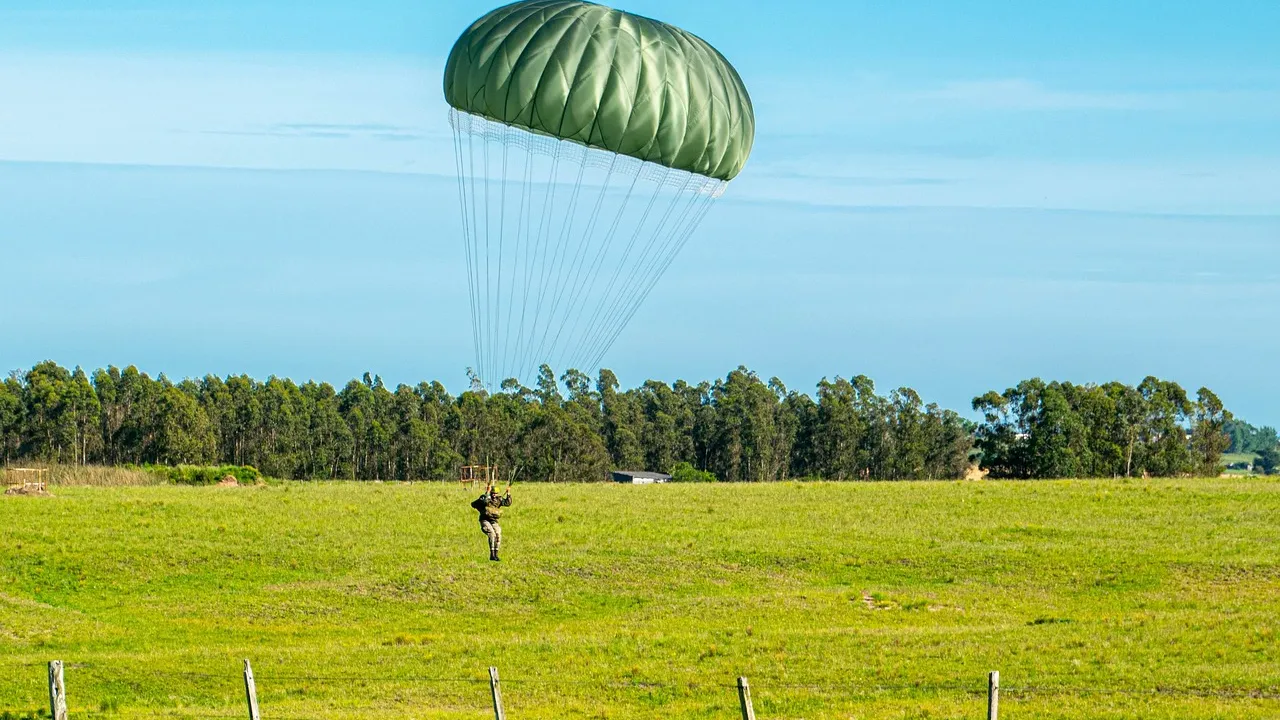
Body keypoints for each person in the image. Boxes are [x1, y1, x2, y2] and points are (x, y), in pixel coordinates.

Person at [470, 483, 511, 561]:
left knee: (498, 534)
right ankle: (492, 555)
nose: (494, 495)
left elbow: (507, 503)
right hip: (484, 520)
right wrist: (487, 493)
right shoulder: (485, 498)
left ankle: (496, 554)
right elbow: (479, 502)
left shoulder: (498, 499)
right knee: (492, 534)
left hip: (493, 520)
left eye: (496, 493)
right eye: (493, 493)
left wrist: (508, 493)